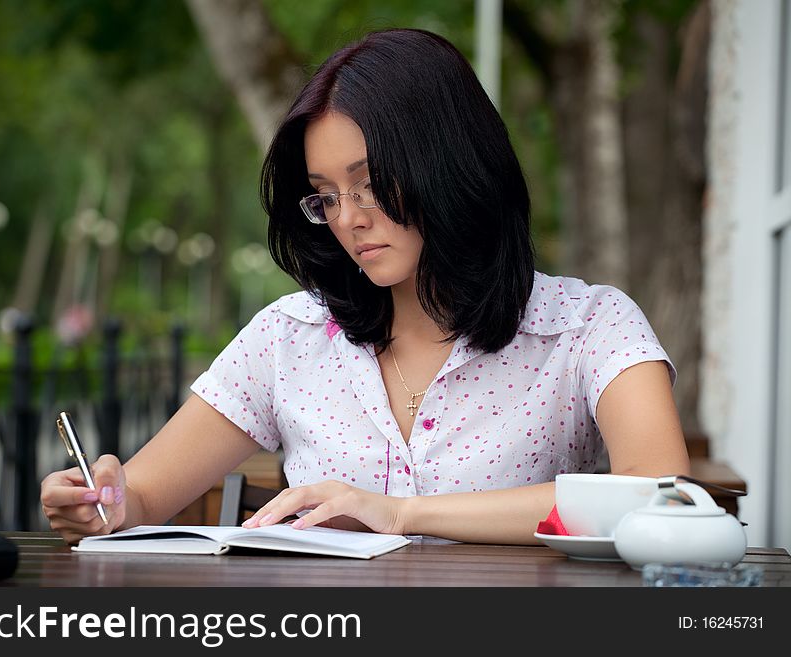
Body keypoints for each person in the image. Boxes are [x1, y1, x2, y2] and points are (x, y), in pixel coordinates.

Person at [41, 28, 690, 546]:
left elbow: (660, 490)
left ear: (449, 162)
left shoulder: (589, 326)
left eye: (369, 182)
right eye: (325, 196)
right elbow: (145, 492)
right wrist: (105, 501)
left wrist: (401, 513)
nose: (349, 218)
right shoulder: (286, 339)